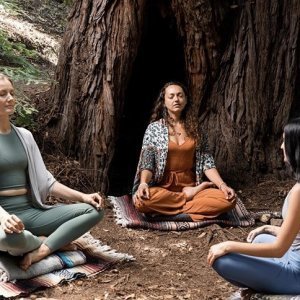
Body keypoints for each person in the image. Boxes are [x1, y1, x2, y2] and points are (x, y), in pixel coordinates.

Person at [0, 73, 104, 270]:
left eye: (12, 93)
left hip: (30, 214)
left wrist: (83, 197)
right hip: (3, 218)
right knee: (8, 239)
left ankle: (43, 249)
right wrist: (4, 218)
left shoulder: (25, 136)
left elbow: (47, 182)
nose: (10, 98)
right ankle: (47, 241)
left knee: (94, 211)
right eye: (2, 94)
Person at [208, 117, 300, 294]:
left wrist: (228, 245)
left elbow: (278, 249)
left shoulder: (298, 192)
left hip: (296, 274)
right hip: (292, 253)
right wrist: (269, 228)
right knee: (259, 238)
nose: (281, 146)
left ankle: (268, 289)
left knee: (222, 260)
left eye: (284, 141)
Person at [132, 81, 236, 222]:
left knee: (228, 200)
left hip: (191, 186)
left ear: (186, 100)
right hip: (164, 188)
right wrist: (144, 183)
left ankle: (167, 212)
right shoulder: (154, 129)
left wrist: (222, 185)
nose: (176, 99)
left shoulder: (196, 129)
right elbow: (147, 161)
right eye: (171, 96)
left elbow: (207, 163)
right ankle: (188, 204)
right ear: (164, 102)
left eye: (180, 96)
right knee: (142, 201)